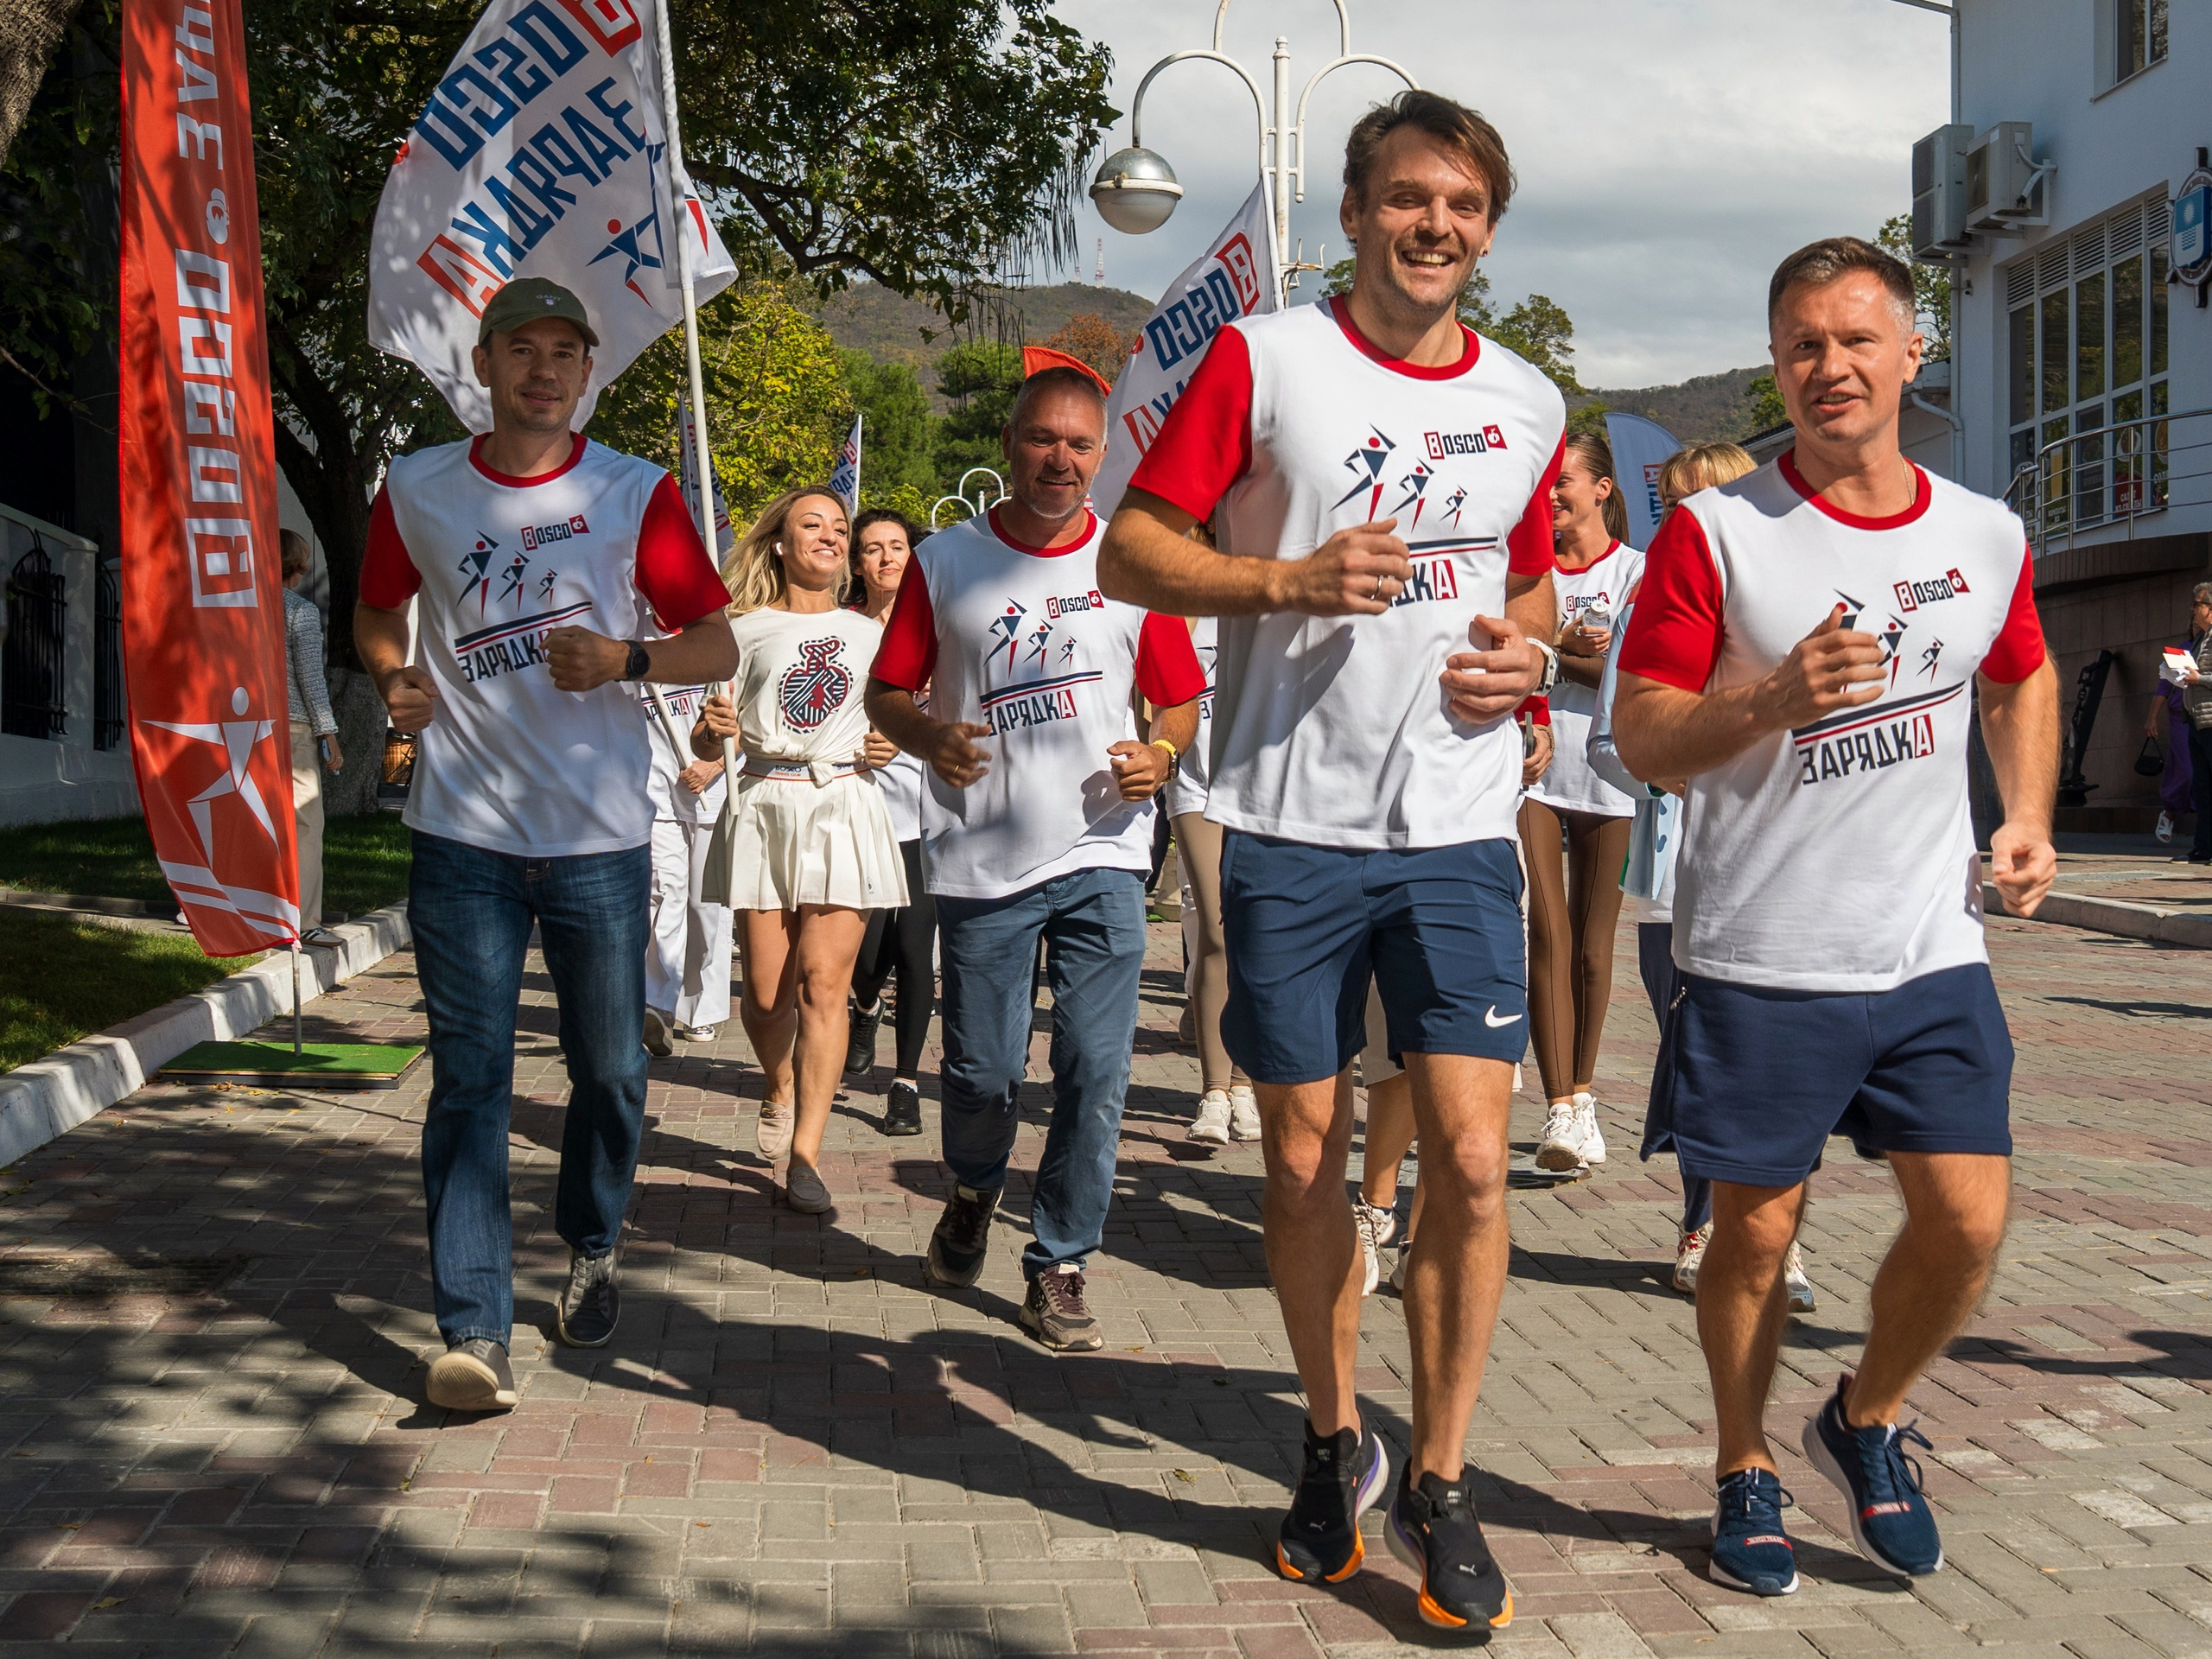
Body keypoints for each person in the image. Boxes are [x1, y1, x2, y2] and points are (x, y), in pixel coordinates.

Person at [1099, 91, 1562, 1631]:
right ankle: (1326, 1440)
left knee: (1477, 1163)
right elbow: (1131, 548)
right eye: (1411, 198)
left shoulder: (1528, 399)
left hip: (1455, 830)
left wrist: (1527, 659)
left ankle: (1441, 1476)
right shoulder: (1268, 360)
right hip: (1290, 826)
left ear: (1489, 227)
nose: (1438, 226)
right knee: (1299, 1159)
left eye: (1467, 205)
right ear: (1357, 211)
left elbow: (1535, 591)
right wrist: (1280, 578)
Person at [1613, 237, 2057, 1597]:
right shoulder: (1719, 533)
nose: (1831, 367)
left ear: (1912, 355)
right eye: (1803, 344)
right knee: (1752, 1235)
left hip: (1929, 948)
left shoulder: (1985, 530)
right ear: (1775, 365)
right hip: (1761, 952)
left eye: (1858, 340)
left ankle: (1863, 1419)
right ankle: (1745, 1460)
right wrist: (1768, 701)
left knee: (1970, 1223)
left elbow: (2019, 677)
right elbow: (1642, 733)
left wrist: (2027, 814)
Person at [355, 277, 737, 1413]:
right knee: (468, 1086)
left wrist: (627, 661)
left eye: (563, 352)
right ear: (484, 365)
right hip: (462, 836)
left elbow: (714, 645)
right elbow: (380, 613)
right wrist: (394, 677)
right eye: (520, 349)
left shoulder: (636, 494)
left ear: (586, 371)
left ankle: (593, 1238)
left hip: (601, 840)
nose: (542, 369)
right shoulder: (418, 487)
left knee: (612, 1071)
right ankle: (476, 1329)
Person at [867, 365, 1203, 1353]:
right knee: (978, 1076)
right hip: (982, 857)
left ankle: (1058, 1261)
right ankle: (972, 1190)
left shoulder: (1135, 562)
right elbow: (890, 690)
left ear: (1103, 455)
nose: (1060, 460)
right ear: (1010, 445)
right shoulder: (947, 561)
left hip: (1103, 846)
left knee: (1097, 1069)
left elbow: (1177, 696)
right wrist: (929, 739)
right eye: (1042, 440)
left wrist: (1164, 753)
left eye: (1080, 444)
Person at [1586, 441, 1808, 1313]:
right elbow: (1609, 742)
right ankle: (1703, 1225)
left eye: (1699, 501)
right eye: (1672, 504)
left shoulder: (1793, 595)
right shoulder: (1651, 598)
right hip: (1679, 885)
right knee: (1708, 1063)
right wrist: (1671, 768)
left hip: (1790, 874)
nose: (1683, 520)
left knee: (1790, 1069)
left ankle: (1779, 1238)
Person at [694, 488, 908, 1213]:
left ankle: (807, 1156)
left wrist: (886, 740)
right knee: (763, 995)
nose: (828, 537)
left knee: (824, 982)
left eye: (839, 528)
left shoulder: (872, 632)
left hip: (843, 802)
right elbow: (705, 736)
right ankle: (777, 1082)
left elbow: (895, 721)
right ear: (780, 543)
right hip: (763, 801)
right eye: (810, 526)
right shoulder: (742, 628)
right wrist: (709, 726)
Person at [1523, 434, 1640, 1172]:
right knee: (1546, 935)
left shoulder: (1637, 572)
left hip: (1611, 774)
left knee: (1594, 951)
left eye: (1565, 482)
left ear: (1601, 489)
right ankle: (1559, 1109)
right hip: (1531, 770)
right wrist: (1562, 652)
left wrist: (1553, 654)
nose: (1553, 495)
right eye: (1546, 484)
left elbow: (1632, 677)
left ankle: (1588, 1092)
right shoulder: (1523, 576)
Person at [843, 508, 938, 1135]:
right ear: (857, 563)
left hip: (930, 816)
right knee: (867, 955)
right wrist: (860, 745)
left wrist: (908, 740)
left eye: (897, 546)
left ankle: (904, 1083)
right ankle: (866, 1005)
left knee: (916, 951)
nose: (886, 558)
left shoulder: (942, 629)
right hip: (860, 811)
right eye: (872, 549)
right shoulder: (841, 630)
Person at [1170, 584, 1259, 1148]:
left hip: (1263, 792)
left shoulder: (1265, 599)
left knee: (1255, 938)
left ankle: (1247, 1085)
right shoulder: (1173, 611)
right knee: (1216, 932)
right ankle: (1214, 1092)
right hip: (1195, 787)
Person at [639, 679, 729, 1050]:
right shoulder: (633, 634)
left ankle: (700, 1007)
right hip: (655, 790)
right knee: (664, 893)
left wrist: (716, 764)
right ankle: (659, 1006)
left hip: (713, 792)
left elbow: (748, 721)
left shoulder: (713, 641)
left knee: (705, 905)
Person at [281, 530, 344, 945]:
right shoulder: (298, 611)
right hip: (292, 728)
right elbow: (310, 678)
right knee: (305, 823)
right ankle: (305, 920)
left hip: (241, 726)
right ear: (299, 564)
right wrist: (329, 734)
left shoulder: (233, 607)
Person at [2177, 583, 2212, 864]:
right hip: (2196, 722)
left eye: (2198, 604)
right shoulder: (2201, 639)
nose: (2194, 609)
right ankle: (2203, 847)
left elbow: (2203, 676)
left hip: (2211, 721)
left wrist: (2198, 678)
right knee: (2202, 788)